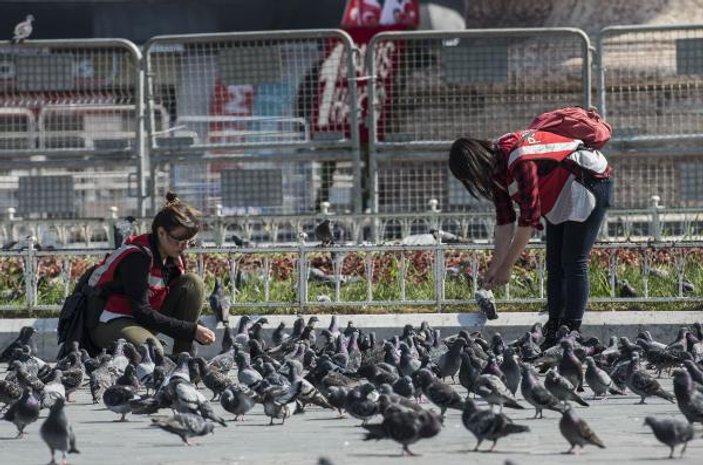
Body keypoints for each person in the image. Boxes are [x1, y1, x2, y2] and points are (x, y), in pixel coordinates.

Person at [448, 129, 613, 349]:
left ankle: (572, 333)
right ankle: (554, 331)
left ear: (476, 164)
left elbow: (528, 221)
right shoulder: (496, 171)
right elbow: (505, 222)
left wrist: (507, 267)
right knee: (554, 263)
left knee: (573, 261)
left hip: (587, 181)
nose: (474, 182)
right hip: (560, 192)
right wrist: (494, 268)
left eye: (471, 176)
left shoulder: (519, 158)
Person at [89, 192, 216, 355]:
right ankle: (164, 366)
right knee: (152, 351)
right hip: (112, 320)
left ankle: (184, 361)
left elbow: (178, 308)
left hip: (144, 318)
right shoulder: (137, 257)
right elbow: (142, 313)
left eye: (189, 242)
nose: (184, 247)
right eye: (179, 241)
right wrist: (191, 330)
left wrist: (195, 330)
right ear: (161, 233)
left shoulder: (173, 256)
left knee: (193, 283)